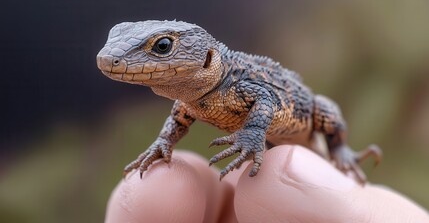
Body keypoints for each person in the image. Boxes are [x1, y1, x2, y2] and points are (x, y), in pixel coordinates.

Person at [105, 145, 429, 222]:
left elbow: (267, 102)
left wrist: (338, 148)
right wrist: (165, 142)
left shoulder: (235, 82)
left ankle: (340, 150)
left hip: (302, 133)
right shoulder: (190, 98)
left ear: (204, 57)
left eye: (162, 49)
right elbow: (181, 115)